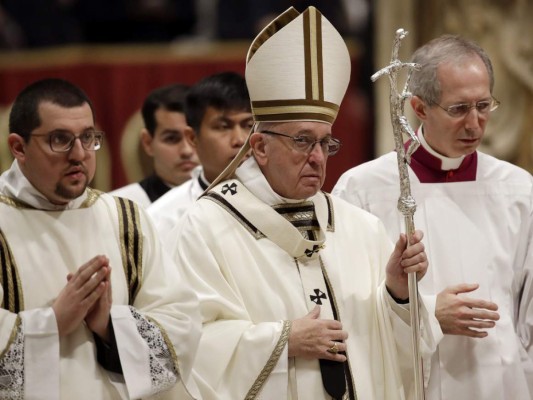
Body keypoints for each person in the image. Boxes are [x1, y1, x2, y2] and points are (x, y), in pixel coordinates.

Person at [167, 7, 441, 399]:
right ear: (260, 146)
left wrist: (397, 292)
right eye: (302, 141)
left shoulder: (359, 227)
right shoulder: (206, 226)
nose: (317, 156)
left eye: (325, 142)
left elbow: (392, 354)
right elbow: (187, 342)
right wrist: (282, 340)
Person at [333, 34, 533, 399]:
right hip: (407, 382)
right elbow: (343, 304)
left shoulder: (519, 190)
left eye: (484, 105)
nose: (475, 124)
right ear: (419, 108)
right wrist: (423, 314)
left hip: (502, 385)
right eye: (458, 109)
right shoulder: (361, 190)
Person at [0, 78, 201, 399]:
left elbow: (181, 327)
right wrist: (52, 324)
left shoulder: (126, 218)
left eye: (88, 138)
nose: (79, 154)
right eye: (60, 140)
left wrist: (111, 325)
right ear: (19, 147)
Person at [147, 71, 253, 236]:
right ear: (192, 137)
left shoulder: (288, 198)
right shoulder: (162, 220)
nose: (240, 140)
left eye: (249, 125)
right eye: (223, 126)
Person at [110, 83, 199, 207]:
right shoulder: (118, 207)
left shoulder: (232, 198)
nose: (187, 150)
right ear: (147, 143)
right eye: (172, 138)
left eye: (193, 137)